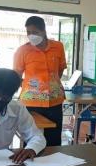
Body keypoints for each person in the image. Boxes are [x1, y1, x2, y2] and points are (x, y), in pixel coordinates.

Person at [14, 16, 67, 146]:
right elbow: (16, 76)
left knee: (54, 140)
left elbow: (60, 70)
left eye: (35, 32)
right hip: (31, 102)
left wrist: (51, 84)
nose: (31, 35)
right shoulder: (23, 50)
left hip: (54, 100)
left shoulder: (58, 47)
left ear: (43, 31)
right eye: (28, 32)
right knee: (31, 139)